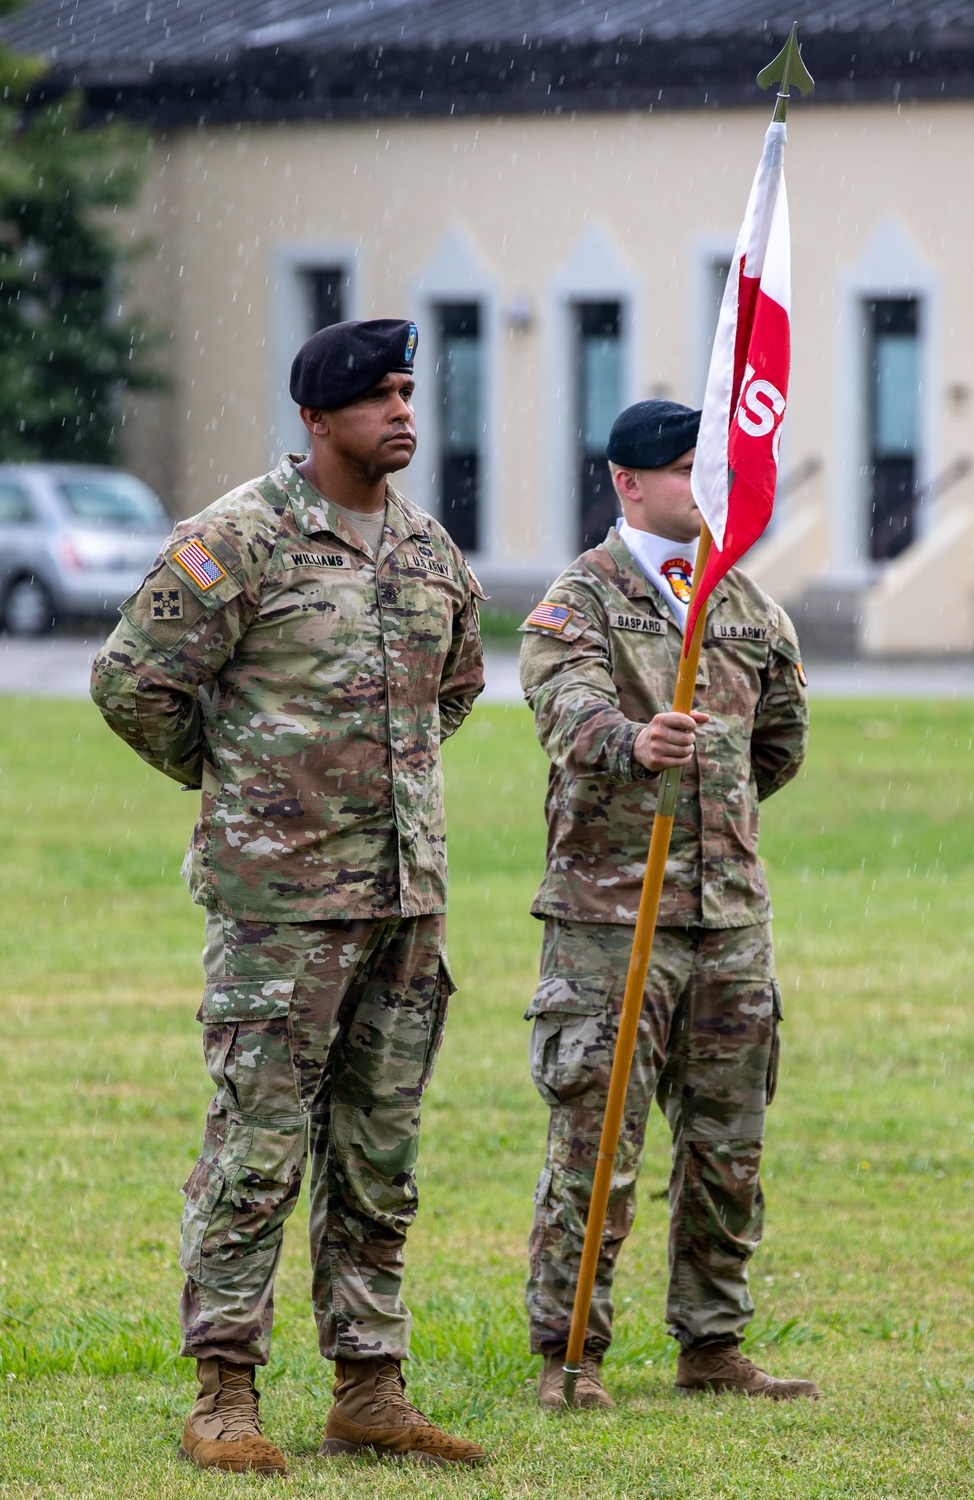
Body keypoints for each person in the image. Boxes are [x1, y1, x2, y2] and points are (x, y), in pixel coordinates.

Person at [91, 318, 487, 1472]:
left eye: (409, 392)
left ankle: (369, 1388)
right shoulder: (241, 539)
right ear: (316, 420)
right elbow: (132, 683)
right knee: (257, 1151)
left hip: (405, 905)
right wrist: (249, 786)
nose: (401, 413)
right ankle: (224, 1392)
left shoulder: (425, 551)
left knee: (379, 1155)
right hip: (277, 912)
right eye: (375, 398)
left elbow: (450, 691)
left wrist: (371, 781)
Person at [518, 399, 816, 1410]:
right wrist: (630, 742)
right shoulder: (580, 600)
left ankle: (713, 1344)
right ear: (629, 482)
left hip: (728, 917)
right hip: (610, 920)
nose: (708, 487)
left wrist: (713, 826)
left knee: (728, 1145)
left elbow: (778, 739)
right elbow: (563, 706)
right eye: (691, 468)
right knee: (598, 1145)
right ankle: (571, 1357)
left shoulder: (740, 601)